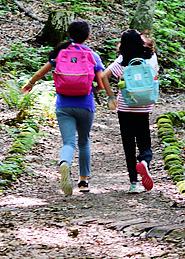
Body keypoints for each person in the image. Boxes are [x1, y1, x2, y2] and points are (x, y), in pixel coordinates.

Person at [22, 20, 105, 196]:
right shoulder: (92, 55)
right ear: (88, 36)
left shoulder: (60, 53)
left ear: (69, 35)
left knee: (68, 142)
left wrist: (30, 84)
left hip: (64, 105)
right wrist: (91, 90)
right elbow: (101, 84)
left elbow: (40, 73)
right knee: (84, 142)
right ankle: (83, 182)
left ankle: (65, 162)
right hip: (85, 104)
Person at [102, 29, 159, 194]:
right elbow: (154, 75)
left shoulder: (121, 61)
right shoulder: (150, 57)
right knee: (144, 139)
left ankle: (133, 183)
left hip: (125, 105)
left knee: (128, 143)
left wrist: (111, 96)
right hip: (144, 105)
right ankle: (144, 160)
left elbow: (104, 76)